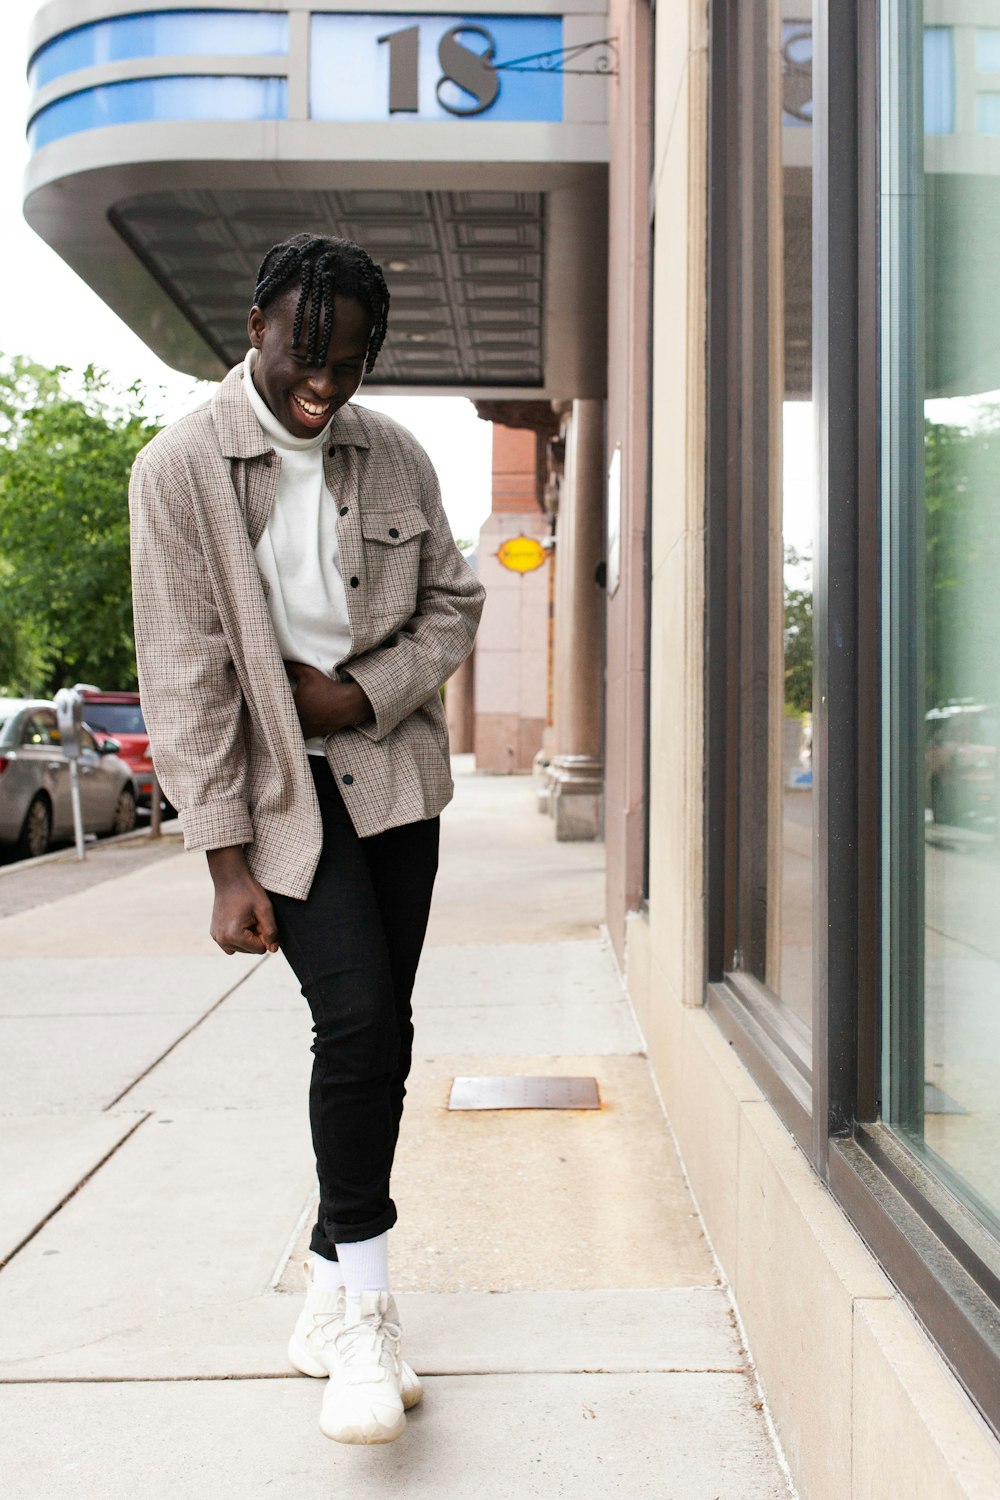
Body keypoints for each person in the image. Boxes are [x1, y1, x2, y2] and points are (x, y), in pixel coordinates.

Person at [129, 233, 485, 1445]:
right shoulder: (179, 470)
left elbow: (454, 600)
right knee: (360, 1022)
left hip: (391, 781)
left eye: (350, 359)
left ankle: (328, 1291)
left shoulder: (394, 454)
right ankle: (372, 1320)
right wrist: (223, 861)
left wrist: (364, 690)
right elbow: (184, 674)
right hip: (283, 800)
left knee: (383, 1032)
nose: (323, 384)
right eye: (305, 354)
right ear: (256, 325)